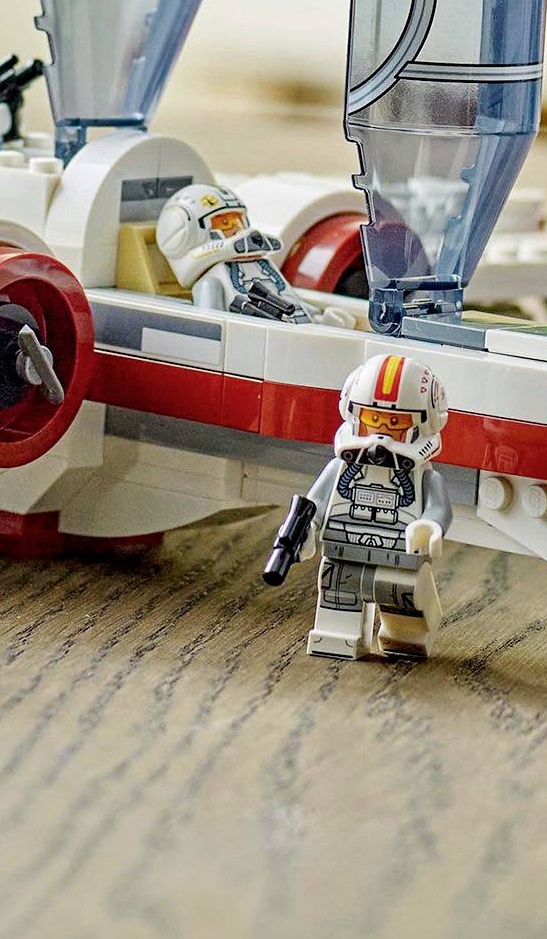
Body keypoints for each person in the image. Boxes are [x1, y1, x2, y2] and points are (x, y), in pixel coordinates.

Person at [263, 352, 455, 662]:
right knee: (337, 592)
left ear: (423, 423)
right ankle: (339, 636)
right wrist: (307, 529)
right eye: (372, 419)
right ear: (354, 415)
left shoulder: (422, 476)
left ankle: (406, 637)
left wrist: (428, 527)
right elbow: (317, 503)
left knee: (404, 599)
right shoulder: (340, 468)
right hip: (343, 551)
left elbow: (438, 508)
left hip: (398, 555)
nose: (381, 432)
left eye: (394, 422)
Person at [156, 183, 321, 321]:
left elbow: (288, 297)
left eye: (239, 221)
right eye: (226, 223)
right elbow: (209, 324)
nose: (237, 229)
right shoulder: (210, 283)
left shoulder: (259, 264)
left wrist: (317, 316)